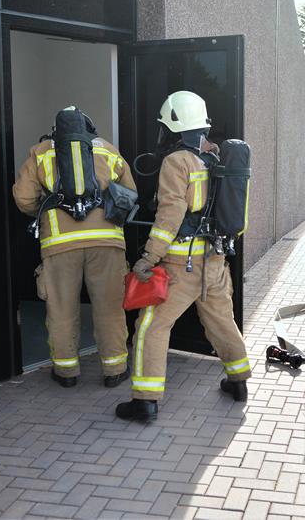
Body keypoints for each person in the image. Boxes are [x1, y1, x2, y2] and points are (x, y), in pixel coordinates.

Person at [115, 91, 251, 422]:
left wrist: (149, 257)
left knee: (151, 326)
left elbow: (170, 215)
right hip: (216, 261)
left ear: (174, 127)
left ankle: (145, 401)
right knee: (221, 321)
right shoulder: (217, 159)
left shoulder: (178, 162)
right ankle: (238, 382)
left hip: (182, 263)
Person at [13, 107, 134, 389]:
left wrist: (43, 213)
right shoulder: (107, 150)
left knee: (61, 309)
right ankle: (115, 369)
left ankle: (66, 372)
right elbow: (130, 191)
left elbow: (23, 197)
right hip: (106, 241)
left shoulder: (40, 152)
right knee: (109, 308)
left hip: (58, 243)